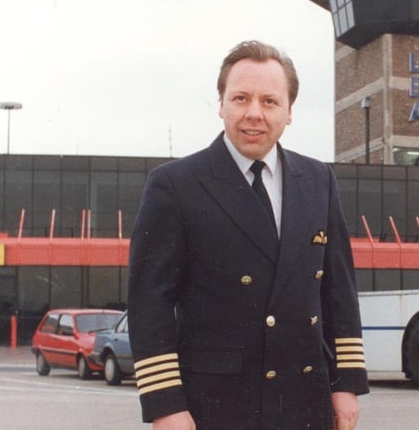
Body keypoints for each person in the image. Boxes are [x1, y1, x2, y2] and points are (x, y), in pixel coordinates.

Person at [127, 40, 369, 430]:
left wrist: (347, 385)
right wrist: (165, 406)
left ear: (289, 111)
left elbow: (339, 292)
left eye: (269, 101)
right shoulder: (175, 185)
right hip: (215, 405)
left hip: (306, 401)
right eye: (240, 98)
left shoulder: (318, 181)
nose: (254, 113)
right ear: (221, 104)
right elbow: (149, 305)